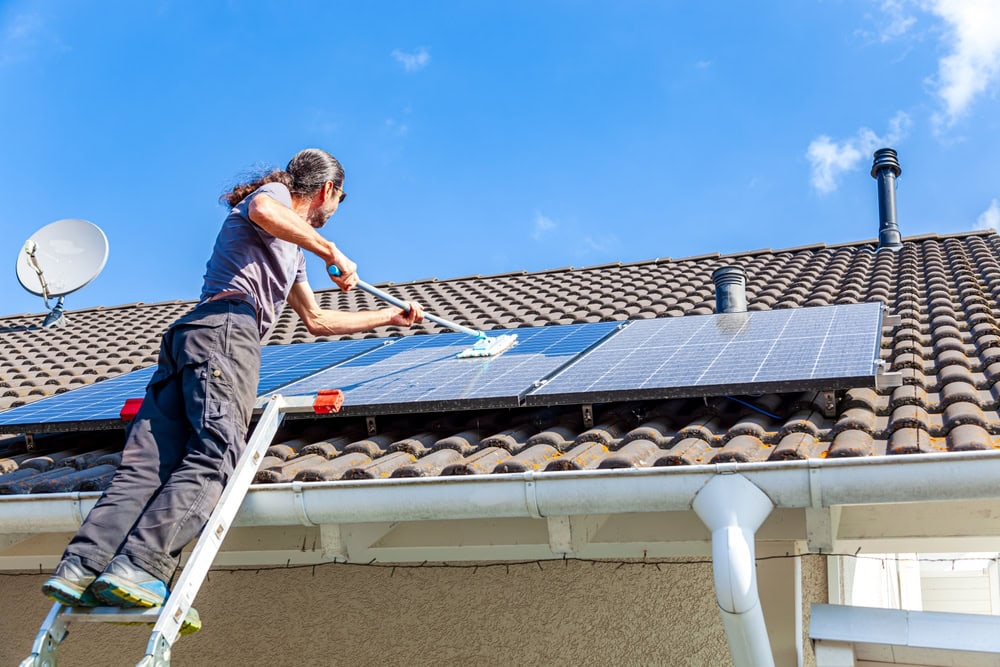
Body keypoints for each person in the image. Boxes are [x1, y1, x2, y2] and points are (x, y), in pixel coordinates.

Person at [41, 148, 424, 630]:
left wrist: (389, 317)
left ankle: (81, 567)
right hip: (225, 331)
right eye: (339, 200)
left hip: (190, 338)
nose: (335, 212)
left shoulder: (290, 251)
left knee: (149, 463)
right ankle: (138, 567)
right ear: (328, 190)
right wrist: (333, 250)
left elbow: (319, 320)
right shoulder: (275, 198)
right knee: (218, 452)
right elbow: (267, 211)